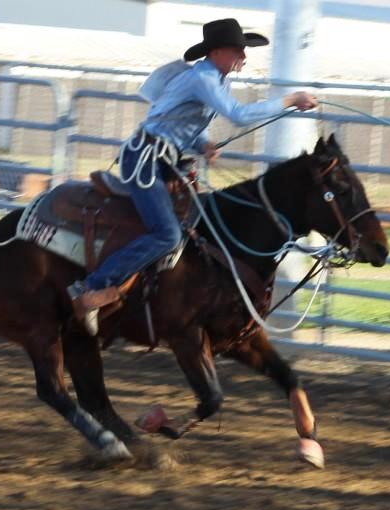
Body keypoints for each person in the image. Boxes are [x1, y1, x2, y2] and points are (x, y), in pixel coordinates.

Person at [67, 18, 319, 335]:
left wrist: (202, 142)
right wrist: (290, 99)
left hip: (165, 160)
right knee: (167, 235)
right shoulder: (204, 77)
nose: (243, 56)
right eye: (238, 49)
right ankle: (91, 288)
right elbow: (238, 115)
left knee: (193, 225)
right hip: (146, 161)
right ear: (217, 52)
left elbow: (170, 115)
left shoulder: (214, 78)